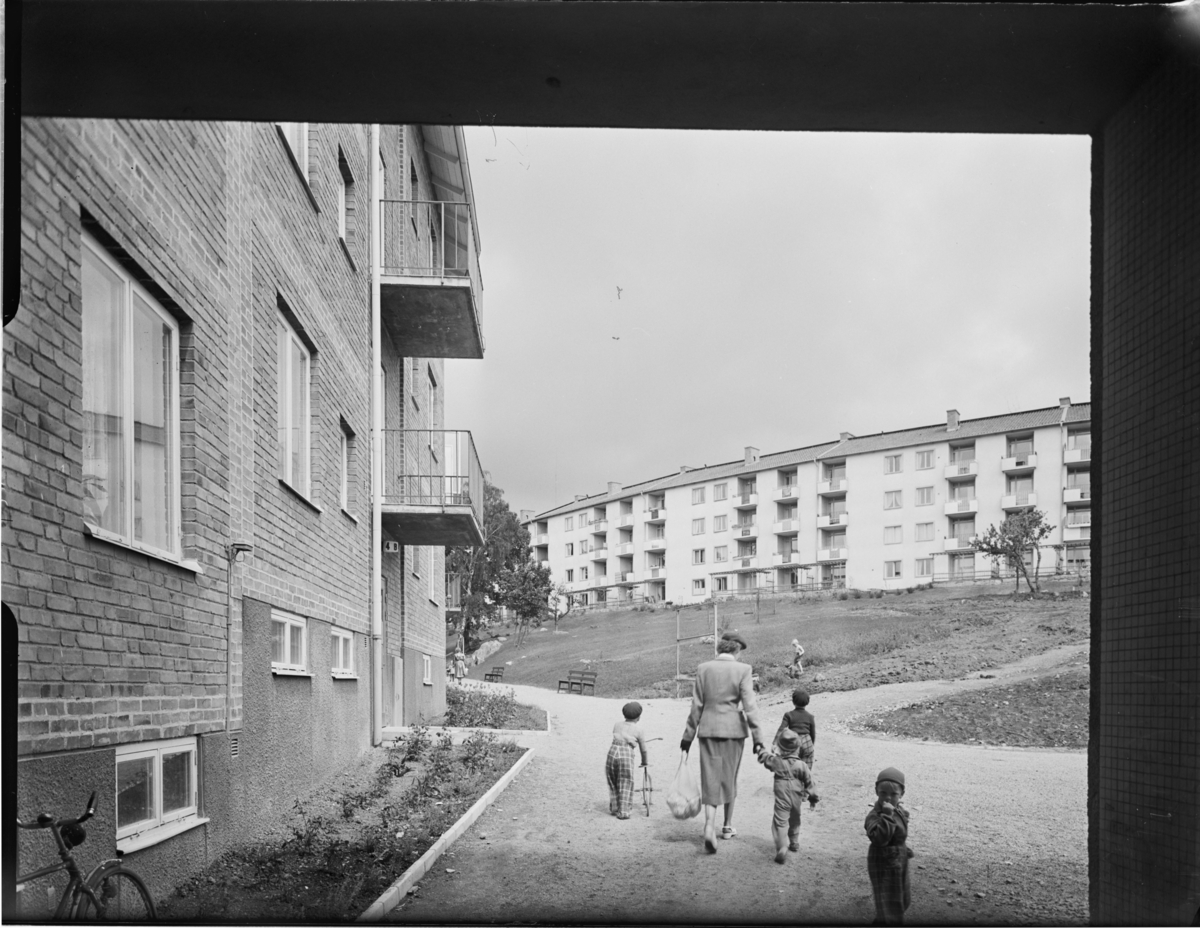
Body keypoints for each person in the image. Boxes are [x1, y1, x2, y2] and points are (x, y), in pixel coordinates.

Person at [679, 632, 764, 853]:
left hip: (708, 730)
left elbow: (696, 706)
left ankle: (709, 825)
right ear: (737, 650)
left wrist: (688, 736)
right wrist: (758, 738)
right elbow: (750, 706)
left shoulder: (703, 668)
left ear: (720, 648)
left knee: (710, 777)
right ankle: (727, 826)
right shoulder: (743, 670)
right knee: (729, 777)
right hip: (734, 732)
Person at [865, 766, 914, 925]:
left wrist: (902, 847)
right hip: (883, 862)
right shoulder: (875, 815)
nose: (888, 798)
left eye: (894, 794)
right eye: (883, 793)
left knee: (903, 899)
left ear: (902, 794)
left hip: (899, 858)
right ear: (876, 791)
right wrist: (887, 816)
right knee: (889, 903)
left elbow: (898, 833)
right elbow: (880, 839)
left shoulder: (897, 810)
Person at [756, 729, 814, 863]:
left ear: (780, 748)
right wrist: (813, 797)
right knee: (795, 819)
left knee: (780, 823)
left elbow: (766, 759)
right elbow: (810, 782)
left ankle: (782, 847)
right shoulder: (802, 765)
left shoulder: (777, 762)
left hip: (782, 799)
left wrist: (761, 750)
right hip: (796, 798)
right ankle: (794, 842)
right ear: (798, 748)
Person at [774, 688, 820, 806]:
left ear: (793, 701)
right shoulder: (810, 716)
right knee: (806, 768)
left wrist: (775, 743)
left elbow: (781, 729)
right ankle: (804, 794)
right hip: (807, 742)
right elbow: (813, 733)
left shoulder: (788, 715)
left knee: (792, 767)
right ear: (807, 702)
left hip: (794, 743)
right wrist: (811, 746)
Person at [607, 701, 649, 819]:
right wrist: (644, 762)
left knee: (613, 779)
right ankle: (624, 812)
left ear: (624, 714)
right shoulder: (639, 729)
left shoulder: (617, 725)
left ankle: (615, 808)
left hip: (613, 751)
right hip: (625, 753)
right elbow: (643, 750)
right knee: (625, 780)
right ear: (639, 717)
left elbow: (620, 735)